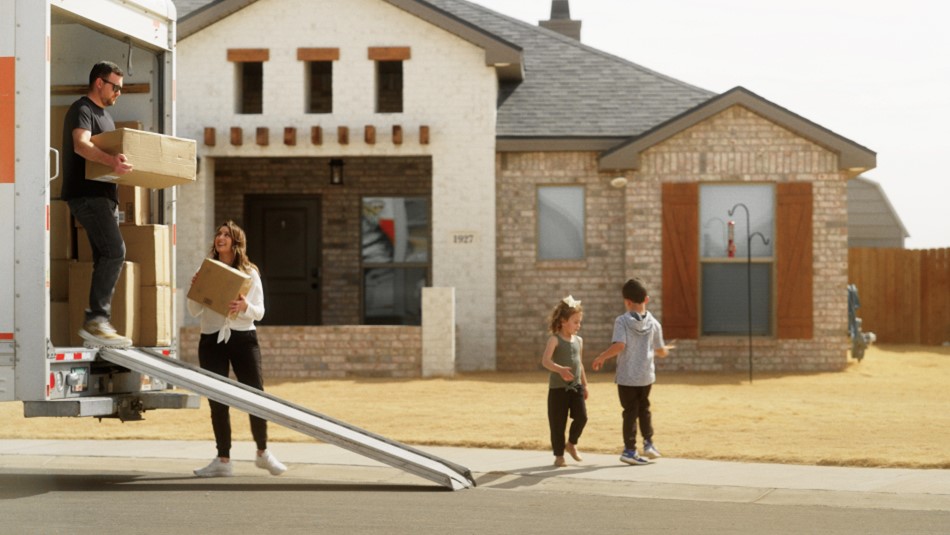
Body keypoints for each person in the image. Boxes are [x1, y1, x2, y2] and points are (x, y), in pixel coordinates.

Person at [188, 221, 286, 477]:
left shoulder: (250, 273)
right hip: (211, 341)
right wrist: (194, 290)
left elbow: (260, 312)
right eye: (218, 234)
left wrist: (245, 308)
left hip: (243, 339)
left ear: (236, 242)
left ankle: (263, 453)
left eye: (226, 235)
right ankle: (223, 460)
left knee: (256, 395)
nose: (220, 237)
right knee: (217, 400)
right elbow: (194, 311)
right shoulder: (206, 270)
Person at [62, 61, 134, 348]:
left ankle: (96, 326)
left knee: (106, 257)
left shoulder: (107, 118)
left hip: (103, 199)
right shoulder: (82, 109)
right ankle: (96, 320)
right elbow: (81, 145)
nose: (118, 93)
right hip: (87, 196)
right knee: (115, 252)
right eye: (115, 86)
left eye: (121, 88)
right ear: (99, 83)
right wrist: (110, 161)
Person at [592, 278, 674, 466]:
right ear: (647, 299)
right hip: (646, 376)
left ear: (627, 301)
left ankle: (629, 450)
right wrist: (664, 351)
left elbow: (620, 345)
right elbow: (660, 350)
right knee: (644, 409)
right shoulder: (654, 323)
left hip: (627, 376)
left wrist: (602, 356)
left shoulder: (622, 321)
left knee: (629, 412)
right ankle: (649, 443)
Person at [540, 295, 588, 467]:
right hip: (558, 389)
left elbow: (579, 363)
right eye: (575, 322)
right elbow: (545, 361)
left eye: (579, 321)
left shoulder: (579, 341)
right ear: (563, 321)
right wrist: (559, 369)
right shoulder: (554, 339)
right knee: (557, 424)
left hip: (575, 387)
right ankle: (559, 455)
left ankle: (571, 444)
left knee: (582, 417)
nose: (578, 325)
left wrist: (585, 384)